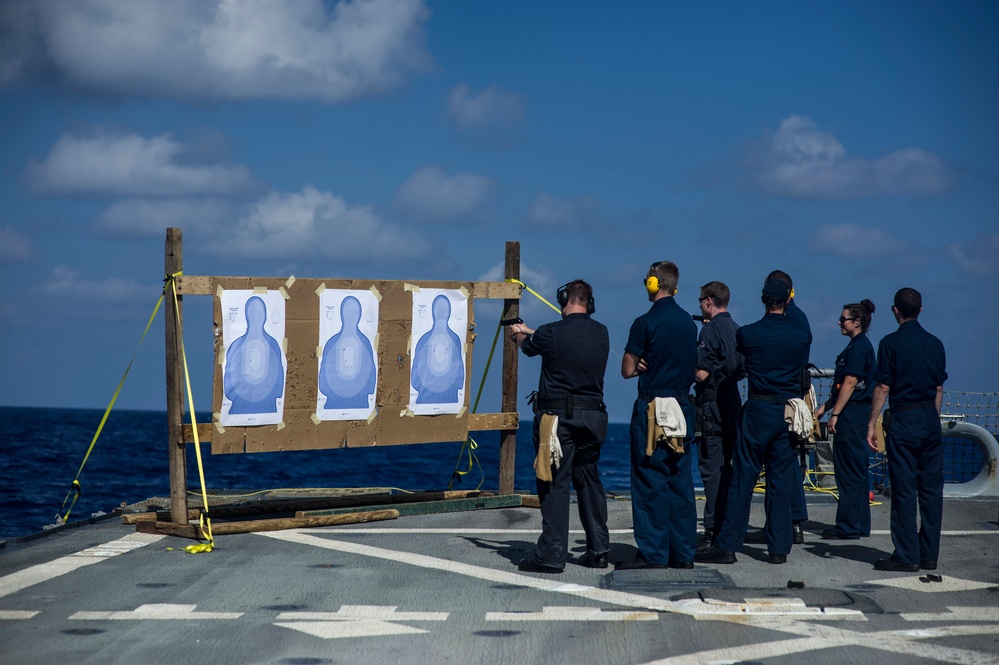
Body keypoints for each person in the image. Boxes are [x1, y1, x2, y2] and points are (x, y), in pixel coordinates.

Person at [696, 278, 811, 565]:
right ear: (787, 300)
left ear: (763, 300)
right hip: (786, 410)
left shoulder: (748, 334)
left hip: (758, 408)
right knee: (780, 481)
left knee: (742, 479)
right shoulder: (800, 336)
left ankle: (727, 545)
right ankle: (778, 547)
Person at [508, 280, 611, 573]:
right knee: (587, 479)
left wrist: (518, 334)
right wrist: (533, 331)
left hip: (558, 422)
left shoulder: (551, 332)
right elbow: (559, 340)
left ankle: (552, 554)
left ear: (564, 299)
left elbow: (529, 346)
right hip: (593, 419)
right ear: (589, 304)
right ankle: (599, 549)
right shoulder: (601, 332)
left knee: (553, 483)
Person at [617, 261, 698, 569]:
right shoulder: (690, 324)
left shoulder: (644, 322)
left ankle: (653, 553)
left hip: (652, 408)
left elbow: (626, 369)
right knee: (680, 480)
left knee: (650, 478)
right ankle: (683, 553)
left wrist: (638, 364)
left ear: (653, 283)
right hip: (682, 406)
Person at [866, 288, 947, 572]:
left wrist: (871, 423)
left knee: (903, 489)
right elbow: (938, 387)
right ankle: (929, 554)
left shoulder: (890, 343)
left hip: (904, 417)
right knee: (931, 490)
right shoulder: (936, 344)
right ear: (920, 310)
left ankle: (906, 554)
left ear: (895, 310)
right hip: (929, 418)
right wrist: (932, 419)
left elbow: (884, 386)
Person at [744, 270, 810, 545]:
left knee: (781, 471)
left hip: (777, 400)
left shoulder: (788, 320)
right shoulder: (800, 320)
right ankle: (785, 527)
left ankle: (789, 524)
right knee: (785, 466)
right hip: (792, 399)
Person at [815, 299, 877, 540]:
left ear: (857, 322)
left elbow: (850, 383)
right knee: (858, 471)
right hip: (854, 412)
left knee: (848, 471)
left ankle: (848, 526)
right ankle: (860, 523)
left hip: (852, 415)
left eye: (844, 319)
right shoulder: (858, 346)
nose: (839, 323)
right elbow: (845, 386)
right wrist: (825, 407)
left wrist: (835, 414)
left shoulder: (859, 348)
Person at [693, 281, 743, 553]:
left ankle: (712, 530)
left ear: (710, 301)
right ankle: (724, 523)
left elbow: (701, 372)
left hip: (711, 403)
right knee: (728, 467)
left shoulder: (709, 330)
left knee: (711, 469)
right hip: (732, 401)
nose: (700, 305)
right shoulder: (736, 329)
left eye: (701, 300)